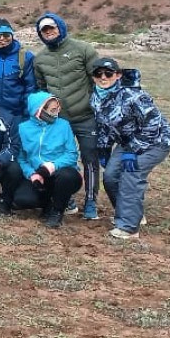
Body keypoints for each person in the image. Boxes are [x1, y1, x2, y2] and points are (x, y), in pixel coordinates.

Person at [90, 57, 170, 240]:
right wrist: (103, 149)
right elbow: (104, 125)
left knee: (131, 174)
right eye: (98, 74)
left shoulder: (133, 95)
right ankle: (132, 213)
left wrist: (131, 151)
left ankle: (128, 227)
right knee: (110, 176)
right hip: (127, 141)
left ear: (118, 75)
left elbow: (153, 123)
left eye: (108, 73)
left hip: (157, 141)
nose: (103, 77)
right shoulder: (96, 96)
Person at [32, 12, 103, 220]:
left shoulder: (83, 50)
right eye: (44, 30)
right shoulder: (40, 59)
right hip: (59, 120)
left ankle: (90, 200)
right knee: (59, 158)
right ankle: (67, 197)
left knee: (90, 158)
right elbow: (42, 88)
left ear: (61, 27)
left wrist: (94, 104)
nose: (49, 32)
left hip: (85, 115)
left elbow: (98, 79)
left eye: (51, 28)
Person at [8, 92, 83, 228]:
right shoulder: (23, 129)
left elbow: (71, 154)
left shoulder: (64, 125)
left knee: (67, 177)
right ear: (39, 110)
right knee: (22, 200)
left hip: (61, 172)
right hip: (38, 175)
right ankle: (48, 203)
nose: (56, 113)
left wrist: (52, 166)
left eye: (58, 109)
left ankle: (57, 211)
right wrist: (32, 174)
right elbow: (22, 158)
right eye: (52, 110)